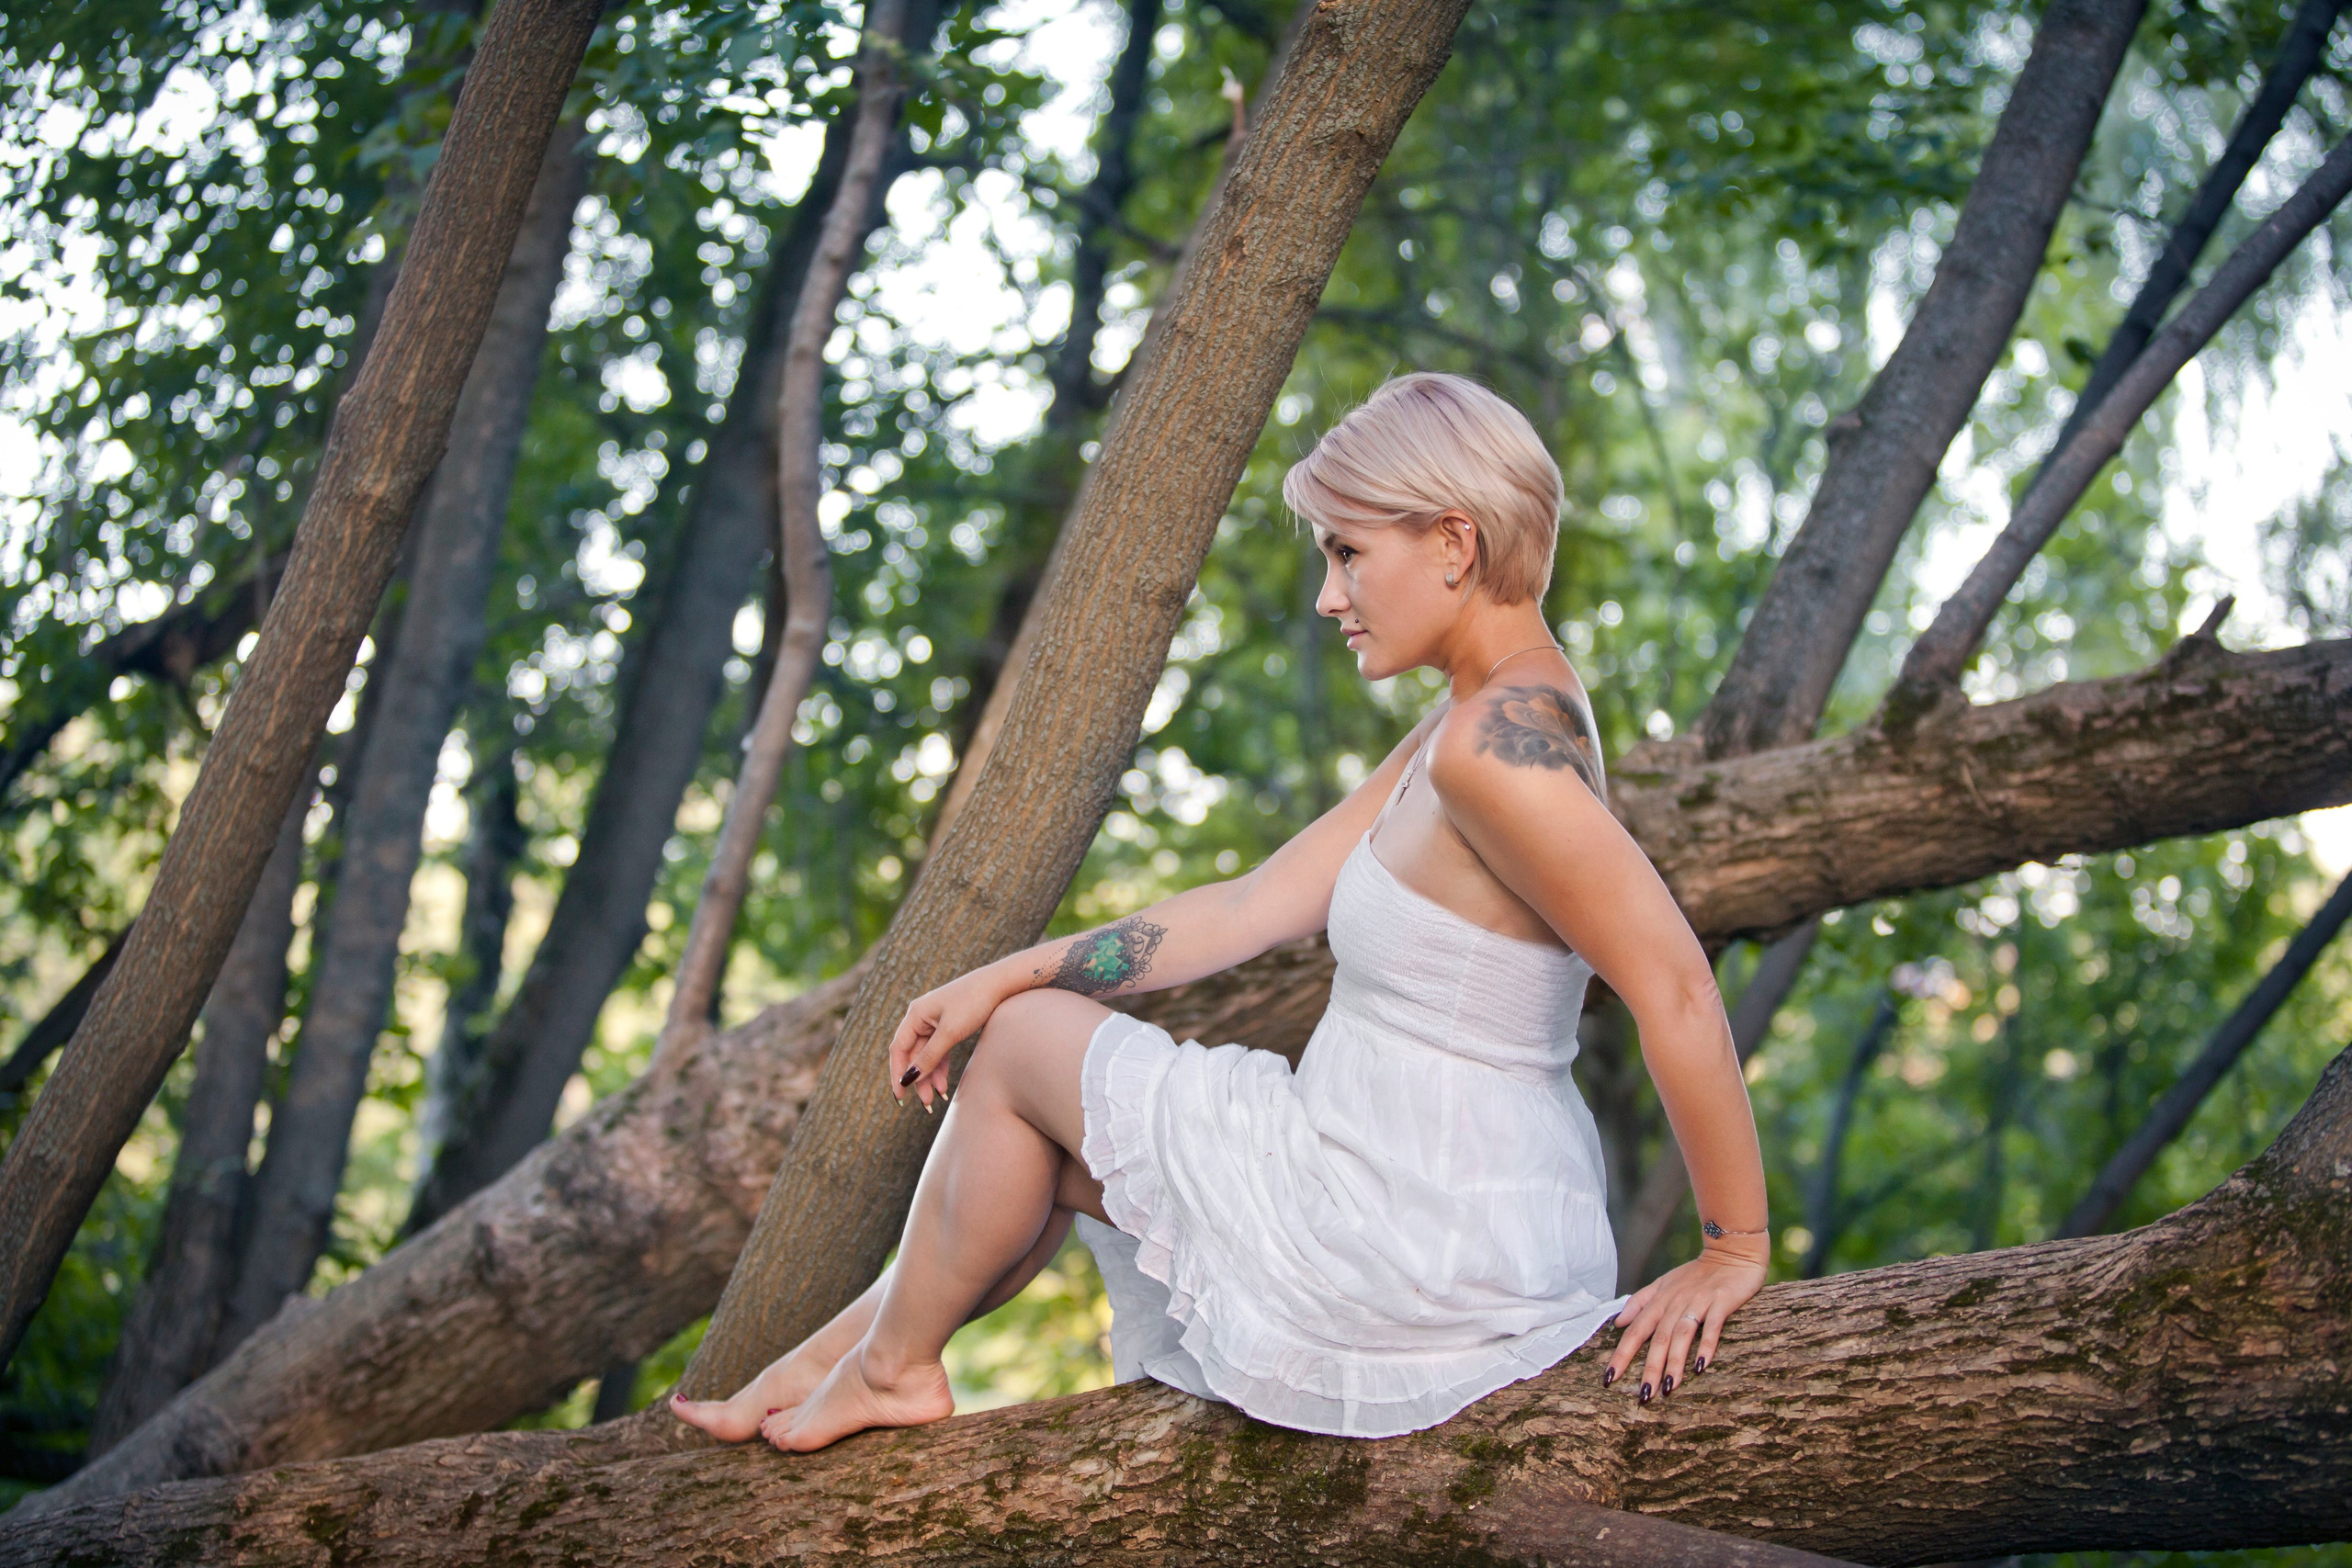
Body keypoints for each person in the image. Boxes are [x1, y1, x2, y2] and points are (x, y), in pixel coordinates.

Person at [673, 371, 1770, 1453]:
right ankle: (839, 1363)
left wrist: (1734, 1247)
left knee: (1022, 1051)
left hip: (1423, 1229)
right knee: (1040, 1127)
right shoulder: (1472, 721)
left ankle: (891, 1371)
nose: (1327, 595)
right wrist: (1007, 970)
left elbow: (1672, 985)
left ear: (1452, 541)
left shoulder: (1497, 751)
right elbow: (1251, 905)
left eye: (1348, 552)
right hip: (1408, 1185)